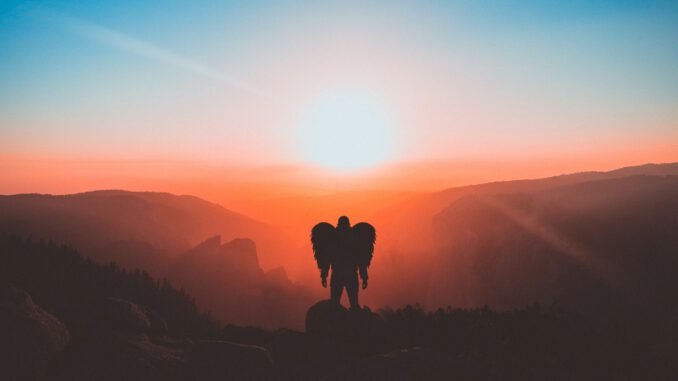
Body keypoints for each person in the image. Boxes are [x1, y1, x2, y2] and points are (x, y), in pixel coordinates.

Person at [311, 216, 375, 309]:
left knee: (334, 304)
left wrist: (324, 276)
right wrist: (364, 277)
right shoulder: (354, 237)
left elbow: (327, 259)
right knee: (354, 305)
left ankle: (334, 321)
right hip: (351, 275)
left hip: (337, 274)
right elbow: (361, 259)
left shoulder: (332, 237)